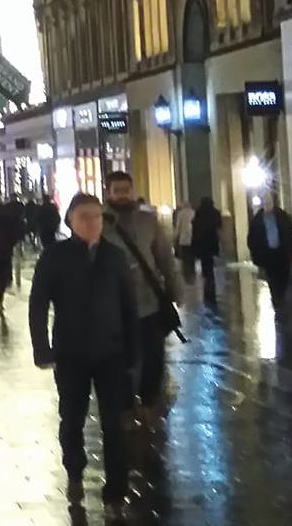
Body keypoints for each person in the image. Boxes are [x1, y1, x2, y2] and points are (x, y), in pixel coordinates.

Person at [29, 193, 137, 520]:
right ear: (71, 222)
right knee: (72, 418)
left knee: (114, 426)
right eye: (85, 217)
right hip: (71, 352)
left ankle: (115, 492)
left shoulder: (115, 257)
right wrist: (42, 349)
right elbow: (38, 305)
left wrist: (132, 351)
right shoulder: (54, 256)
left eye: (97, 216)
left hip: (111, 352)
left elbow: (129, 307)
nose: (93, 223)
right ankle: (74, 471)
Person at [101, 171, 181, 416]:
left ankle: (148, 402)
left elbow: (165, 257)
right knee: (121, 359)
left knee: (154, 356)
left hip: (149, 301)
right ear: (109, 193)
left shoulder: (148, 220)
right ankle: (125, 406)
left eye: (126, 190)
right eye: (118, 191)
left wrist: (175, 290)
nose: (123, 195)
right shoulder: (100, 222)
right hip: (115, 305)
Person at [247, 197, 292, 306]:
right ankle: (278, 303)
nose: (268, 205)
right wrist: (256, 257)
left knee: (283, 279)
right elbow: (252, 240)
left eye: (269, 202)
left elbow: (290, 234)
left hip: (282, 254)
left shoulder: (282, 216)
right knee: (273, 281)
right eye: (266, 202)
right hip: (268, 256)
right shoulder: (257, 221)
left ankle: (281, 301)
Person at [190, 197, 223, 302]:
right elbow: (219, 228)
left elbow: (194, 228)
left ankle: (207, 284)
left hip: (201, 243)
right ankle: (210, 284)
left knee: (205, 264)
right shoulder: (215, 213)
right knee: (210, 263)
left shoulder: (198, 213)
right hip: (211, 242)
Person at [172, 203, 195, 276]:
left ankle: (186, 273)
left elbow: (178, 227)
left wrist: (175, 238)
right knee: (192, 257)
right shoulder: (194, 213)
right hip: (193, 239)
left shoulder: (180, 214)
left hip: (183, 239)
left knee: (185, 258)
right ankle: (192, 272)